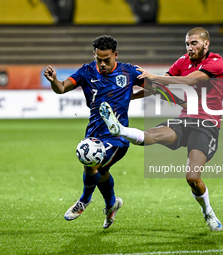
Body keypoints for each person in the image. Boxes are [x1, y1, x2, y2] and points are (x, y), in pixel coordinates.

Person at [100, 27, 223, 231]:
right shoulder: (182, 61)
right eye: (187, 43)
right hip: (186, 118)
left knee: (192, 178)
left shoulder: (215, 62)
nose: (190, 47)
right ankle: (119, 129)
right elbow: (156, 88)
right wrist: (126, 95)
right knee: (154, 135)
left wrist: (155, 76)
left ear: (206, 44)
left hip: (207, 124)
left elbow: (189, 80)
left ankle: (208, 213)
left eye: (194, 43)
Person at [43, 35, 144, 229]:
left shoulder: (129, 71)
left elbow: (155, 88)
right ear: (94, 55)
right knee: (102, 171)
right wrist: (54, 80)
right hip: (94, 133)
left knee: (91, 162)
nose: (103, 64)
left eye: (107, 59)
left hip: (118, 137)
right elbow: (62, 88)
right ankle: (111, 204)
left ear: (116, 55)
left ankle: (85, 199)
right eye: (99, 59)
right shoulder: (87, 71)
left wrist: (132, 96)